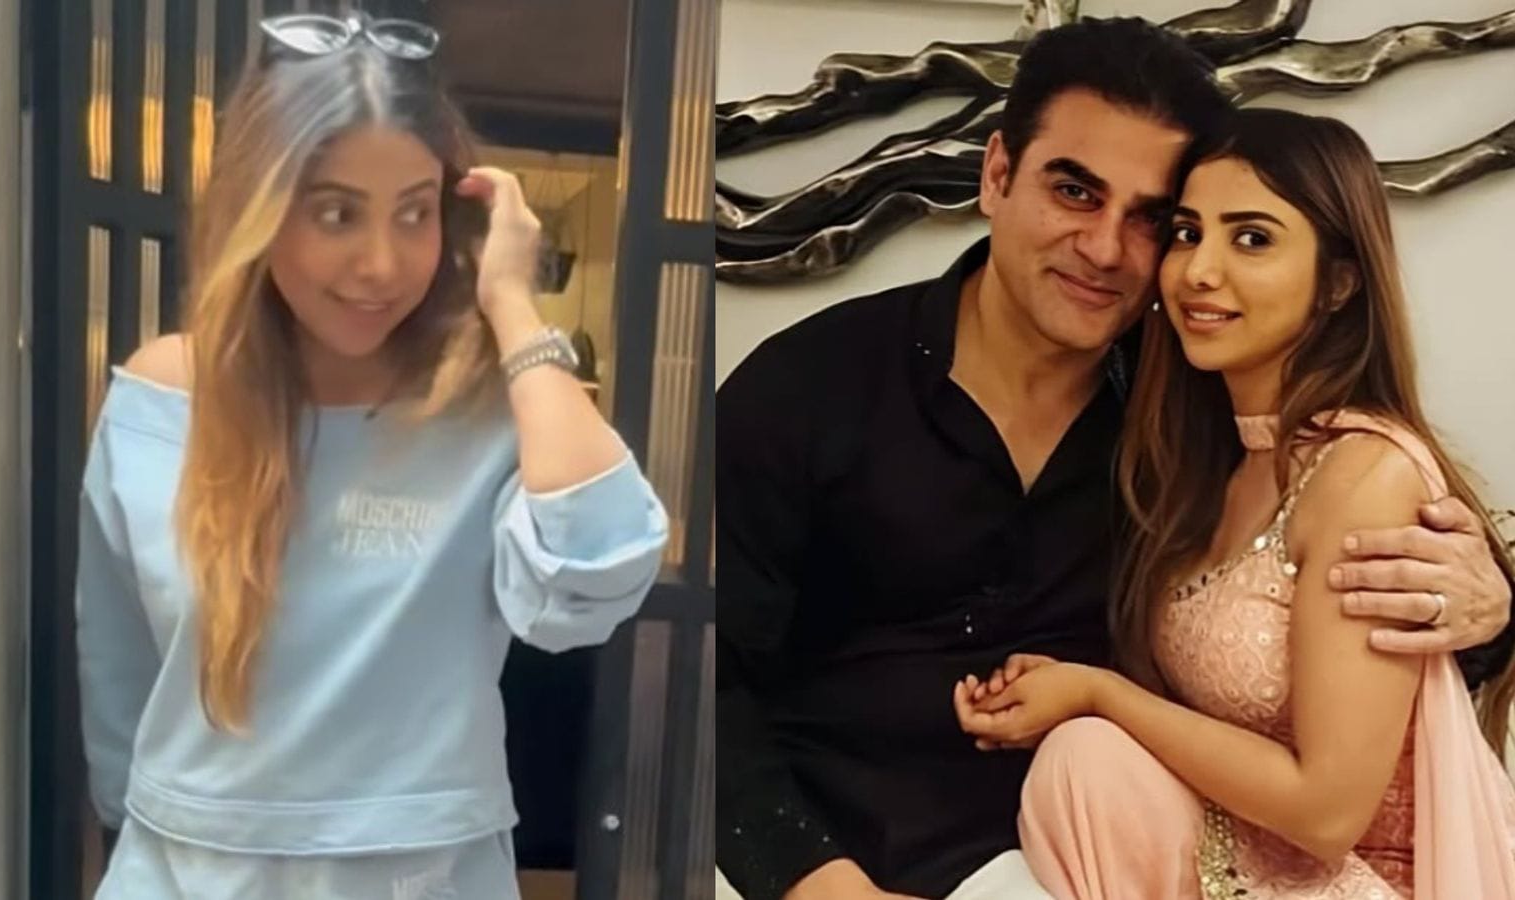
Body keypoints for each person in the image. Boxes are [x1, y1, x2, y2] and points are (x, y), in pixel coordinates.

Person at [716, 18, 1514, 900]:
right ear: (997, 175)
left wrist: (1488, 611)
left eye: (1151, 220)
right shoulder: (810, 385)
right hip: (859, 864)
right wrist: (817, 885)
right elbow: (696, 674)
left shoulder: (1198, 413)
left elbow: (1356, 637)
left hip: (1131, 859)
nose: (1105, 249)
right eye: (1075, 192)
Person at [75, 13, 667, 899]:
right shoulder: (163, 399)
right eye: (336, 213)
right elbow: (117, 668)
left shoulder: (485, 405)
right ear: (260, 212)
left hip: (428, 872)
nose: (381, 263)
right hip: (187, 868)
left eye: (414, 213)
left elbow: (593, 580)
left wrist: (513, 305)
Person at [955, 106, 1515, 899]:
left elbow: (1328, 812)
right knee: (1083, 767)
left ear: (1338, 283)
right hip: (1244, 855)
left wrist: (1098, 694)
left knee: (1089, 758)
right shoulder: (1210, 455)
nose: (1198, 271)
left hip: (1359, 877)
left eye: (1251, 239)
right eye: (1187, 234)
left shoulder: (1364, 475)